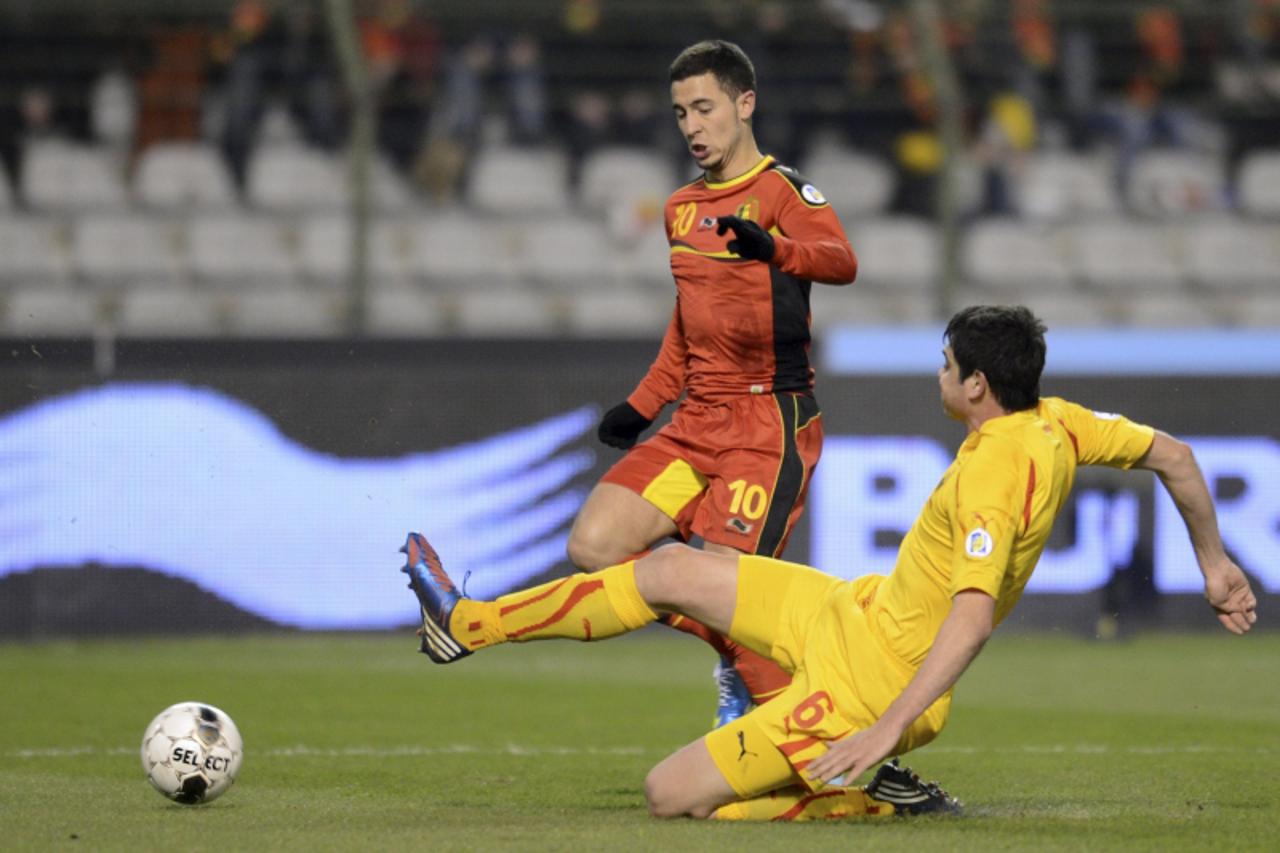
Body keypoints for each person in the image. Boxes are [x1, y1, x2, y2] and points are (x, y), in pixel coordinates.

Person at [400, 304, 1259, 822]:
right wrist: (1214, 562)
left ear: (976, 386)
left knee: (672, 796)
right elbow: (1177, 455)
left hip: (874, 683)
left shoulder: (998, 470)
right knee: (665, 568)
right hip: (851, 610)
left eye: (947, 363)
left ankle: (862, 792)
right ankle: (466, 626)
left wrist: (886, 727)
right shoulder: (1059, 420)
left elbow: (967, 618)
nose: (940, 371)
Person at [565, 39, 858, 725]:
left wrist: (776, 249)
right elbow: (686, 325)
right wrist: (643, 405)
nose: (692, 126)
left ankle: (792, 708)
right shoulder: (679, 210)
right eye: (680, 114)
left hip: (767, 426)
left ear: (744, 104)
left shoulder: (784, 191)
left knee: (720, 579)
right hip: (696, 422)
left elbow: (842, 261)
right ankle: (745, 659)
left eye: (704, 108)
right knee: (595, 546)